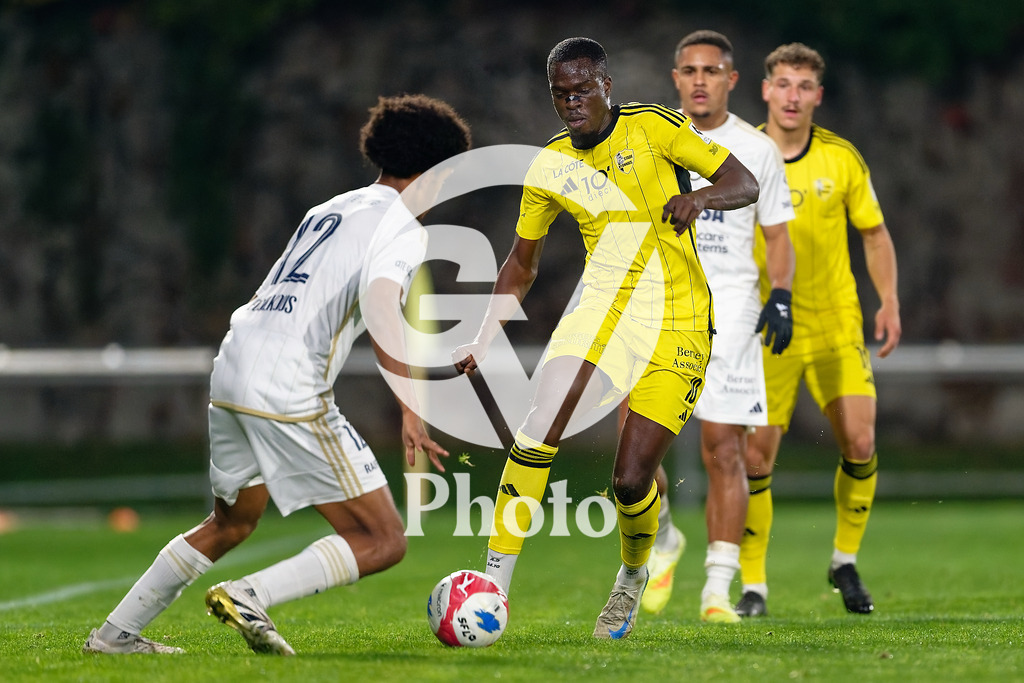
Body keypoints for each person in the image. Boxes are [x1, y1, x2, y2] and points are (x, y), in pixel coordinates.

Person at [82, 94, 469, 655]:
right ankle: (248, 594)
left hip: (234, 367)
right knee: (383, 539)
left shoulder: (332, 207)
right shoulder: (402, 227)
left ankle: (115, 636)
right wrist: (412, 407)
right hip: (288, 384)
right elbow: (384, 304)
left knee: (233, 522)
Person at [453, 37, 759, 640]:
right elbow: (522, 262)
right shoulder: (549, 165)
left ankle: (632, 574)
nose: (571, 103)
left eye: (581, 90)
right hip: (602, 311)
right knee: (540, 422)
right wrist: (484, 335)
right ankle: (494, 588)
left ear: (605, 86)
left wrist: (697, 197)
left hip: (679, 318)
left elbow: (743, 182)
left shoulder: (656, 129)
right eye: (560, 95)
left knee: (629, 481)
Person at [736, 43, 901, 617]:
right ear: (765, 90)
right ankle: (753, 584)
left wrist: (889, 301)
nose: (792, 96)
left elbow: (874, 234)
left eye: (804, 86)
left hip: (834, 321)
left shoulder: (841, 159)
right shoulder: (740, 154)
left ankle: (844, 561)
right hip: (767, 326)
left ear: (817, 96)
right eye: (782, 84)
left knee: (860, 440)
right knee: (756, 458)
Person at [637, 30, 795, 623]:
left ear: (731, 80)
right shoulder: (652, 137)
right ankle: (664, 536)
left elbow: (777, 235)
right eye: (689, 70)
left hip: (729, 307)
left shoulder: (757, 150)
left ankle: (716, 591)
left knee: (722, 448)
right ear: (675, 78)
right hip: (660, 302)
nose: (699, 79)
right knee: (636, 438)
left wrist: (779, 296)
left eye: (712, 70)